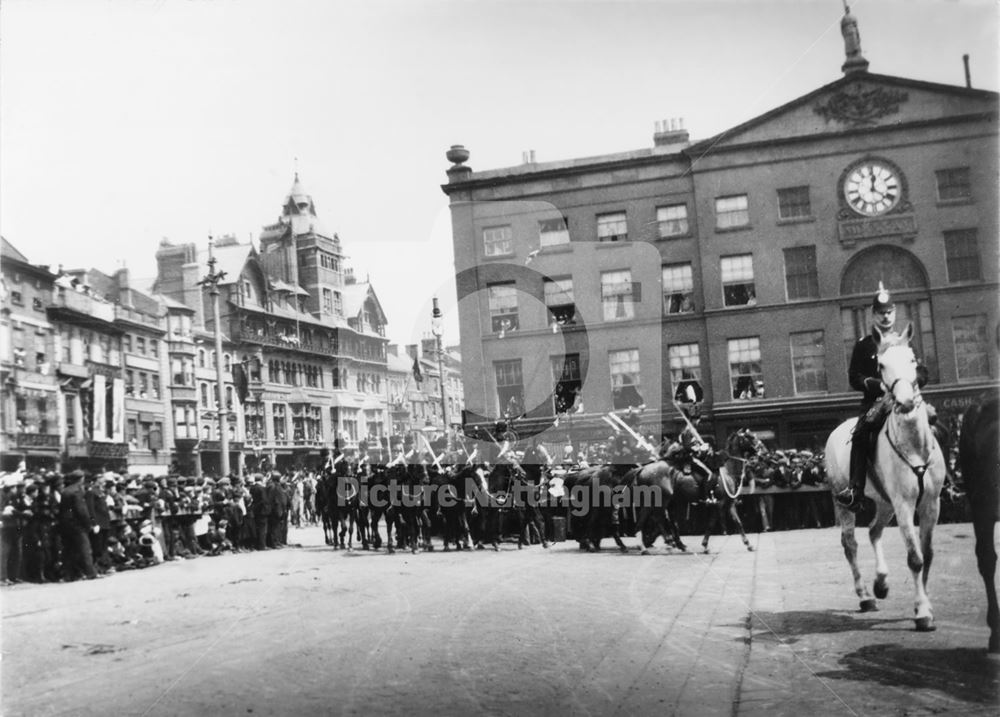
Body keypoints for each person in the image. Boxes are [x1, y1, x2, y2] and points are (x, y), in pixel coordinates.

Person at [836, 283, 919, 511]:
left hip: (905, 398)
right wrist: (877, 385)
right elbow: (854, 377)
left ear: (895, 313)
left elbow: (922, 371)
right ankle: (855, 488)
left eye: (889, 312)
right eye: (881, 312)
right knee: (861, 433)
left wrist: (908, 383)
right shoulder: (864, 345)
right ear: (873, 314)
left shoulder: (904, 340)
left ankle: (944, 481)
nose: (885, 316)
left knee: (933, 425)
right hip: (876, 402)